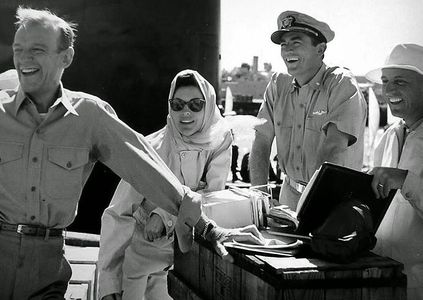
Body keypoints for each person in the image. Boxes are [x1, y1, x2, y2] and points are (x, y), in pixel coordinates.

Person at [0, 7, 263, 299]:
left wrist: (207, 227)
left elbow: (144, 169)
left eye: (37, 49)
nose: (24, 58)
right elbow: (120, 211)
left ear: (67, 57)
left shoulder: (90, 117)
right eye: (18, 49)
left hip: (46, 271)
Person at [98, 70, 233, 300]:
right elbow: (118, 213)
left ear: (208, 105)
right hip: (138, 260)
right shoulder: (151, 148)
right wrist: (108, 283)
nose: (186, 112)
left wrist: (164, 215)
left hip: (183, 262)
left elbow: (213, 197)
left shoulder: (219, 142)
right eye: (178, 104)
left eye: (196, 104)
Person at [250, 11, 367, 210]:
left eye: (296, 42)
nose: (287, 51)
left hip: (331, 200)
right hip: (289, 194)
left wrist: (310, 207)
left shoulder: (341, 84)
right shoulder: (278, 85)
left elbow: (334, 149)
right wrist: (259, 198)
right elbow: (261, 141)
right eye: (283, 44)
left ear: (320, 49)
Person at [366, 43, 423, 299]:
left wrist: (405, 181)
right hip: (381, 278)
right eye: (386, 81)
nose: (388, 90)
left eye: (400, 82)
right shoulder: (389, 135)